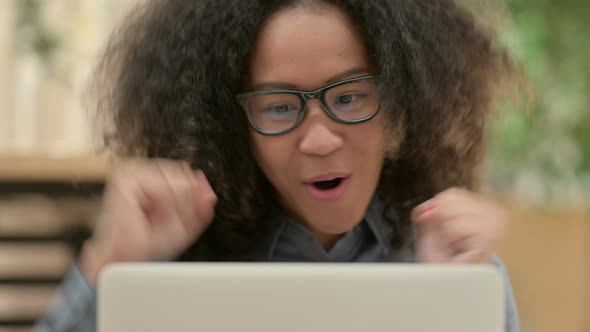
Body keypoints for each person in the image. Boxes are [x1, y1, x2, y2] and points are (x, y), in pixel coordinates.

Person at [34, 0, 520, 331]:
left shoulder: (452, 267)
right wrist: (108, 264)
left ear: (400, 100)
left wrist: (451, 300)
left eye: (349, 97)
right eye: (280, 107)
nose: (320, 139)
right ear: (232, 124)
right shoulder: (163, 271)